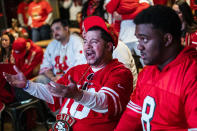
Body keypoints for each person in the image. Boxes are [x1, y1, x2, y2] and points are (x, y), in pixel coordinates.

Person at [3, 16, 133, 131]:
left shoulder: (120, 72)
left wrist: (78, 95)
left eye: (94, 42)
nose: (87, 46)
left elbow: (106, 103)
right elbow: (52, 93)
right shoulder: (77, 70)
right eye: (86, 41)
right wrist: (27, 85)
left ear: (109, 47)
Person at [115, 5, 197, 130]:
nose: (139, 47)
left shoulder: (191, 74)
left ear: (167, 39)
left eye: (144, 39)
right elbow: (131, 118)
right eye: (138, 39)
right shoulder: (147, 72)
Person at [82, 16, 138, 88]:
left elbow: (122, 79)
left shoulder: (118, 47)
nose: (83, 34)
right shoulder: (89, 47)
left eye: (85, 30)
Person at [35, 18, 86, 84]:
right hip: (56, 79)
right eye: (53, 31)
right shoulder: (52, 44)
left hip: (72, 79)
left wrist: (64, 78)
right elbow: (45, 66)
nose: (55, 33)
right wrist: (52, 78)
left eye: (57, 29)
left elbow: (81, 66)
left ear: (66, 29)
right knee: (40, 79)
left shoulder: (77, 42)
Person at [105, 0, 152, 68]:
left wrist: (123, 17)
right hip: (122, 37)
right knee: (124, 65)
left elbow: (145, 9)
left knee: (148, 63)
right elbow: (109, 8)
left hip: (139, 37)